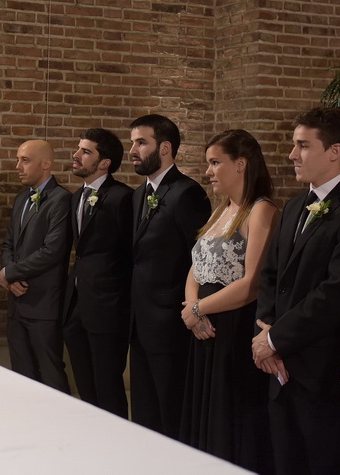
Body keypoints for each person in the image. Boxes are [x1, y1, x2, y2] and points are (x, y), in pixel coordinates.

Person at [253, 107, 340, 475]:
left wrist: (277, 339)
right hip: (280, 370)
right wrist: (264, 334)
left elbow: (338, 293)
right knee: (284, 461)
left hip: (322, 369)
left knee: (321, 463)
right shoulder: (295, 205)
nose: (292, 154)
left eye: (302, 146)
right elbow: (269, 276)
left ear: (334, 151)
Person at [180, 130, 277, 472]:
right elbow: (196, 267)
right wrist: (191, 309)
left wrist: (197, 309)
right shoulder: (221, 209)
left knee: (231, 413)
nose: (208, 171)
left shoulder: (260, 210)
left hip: (234, 326)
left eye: (215, 163)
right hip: (204, 326)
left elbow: (252, 284)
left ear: (241, 165)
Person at [128, 114, 211, 437]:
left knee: (171, 413)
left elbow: (199, 259)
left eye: (141, 142)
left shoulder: (186, 193)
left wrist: (194, 310)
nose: (133, 149)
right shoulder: (138, 195)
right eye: (133, 142)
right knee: (145, 414)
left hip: (170, 323)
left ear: (165, 147)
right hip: (140, 321)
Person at [63, 128, 133, 418]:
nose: (76, 155)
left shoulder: (122, 198)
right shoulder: (76, 197)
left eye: (86, 151)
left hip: (107, 307)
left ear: (105, 163)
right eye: (78, 149)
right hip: (77, 304)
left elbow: (130, 253)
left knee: (108, 386)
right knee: (85, 386)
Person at [0, 139, 72, 393]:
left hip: (43, 303)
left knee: (50, 371)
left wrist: (10, 273)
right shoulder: (21, 199)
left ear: (46, 163)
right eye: (18, 159)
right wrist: (9, 276)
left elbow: (52, 251)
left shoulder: (61, 199)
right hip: (17, 302)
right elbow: (8, 244)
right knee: (21, 373)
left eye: (25, 160)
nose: (18, 166)